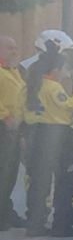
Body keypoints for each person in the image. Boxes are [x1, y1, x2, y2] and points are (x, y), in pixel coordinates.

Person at [21, 31, 73, 237]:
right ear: (55, 67)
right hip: (58, 136)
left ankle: (34, 225)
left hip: (34, 134)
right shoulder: (53, 87)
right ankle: (61, 225)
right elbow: (68, 106)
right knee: (66, 180)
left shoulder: (30, 83)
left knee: (38, 183)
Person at [0, 34, 23, 229]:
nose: (14, 51)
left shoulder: (12, 70)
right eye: (9, 47)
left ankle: (6, 211)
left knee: (10, 173)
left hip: (14, 128)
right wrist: (6, 117)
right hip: (3, 126)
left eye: (15, 47)